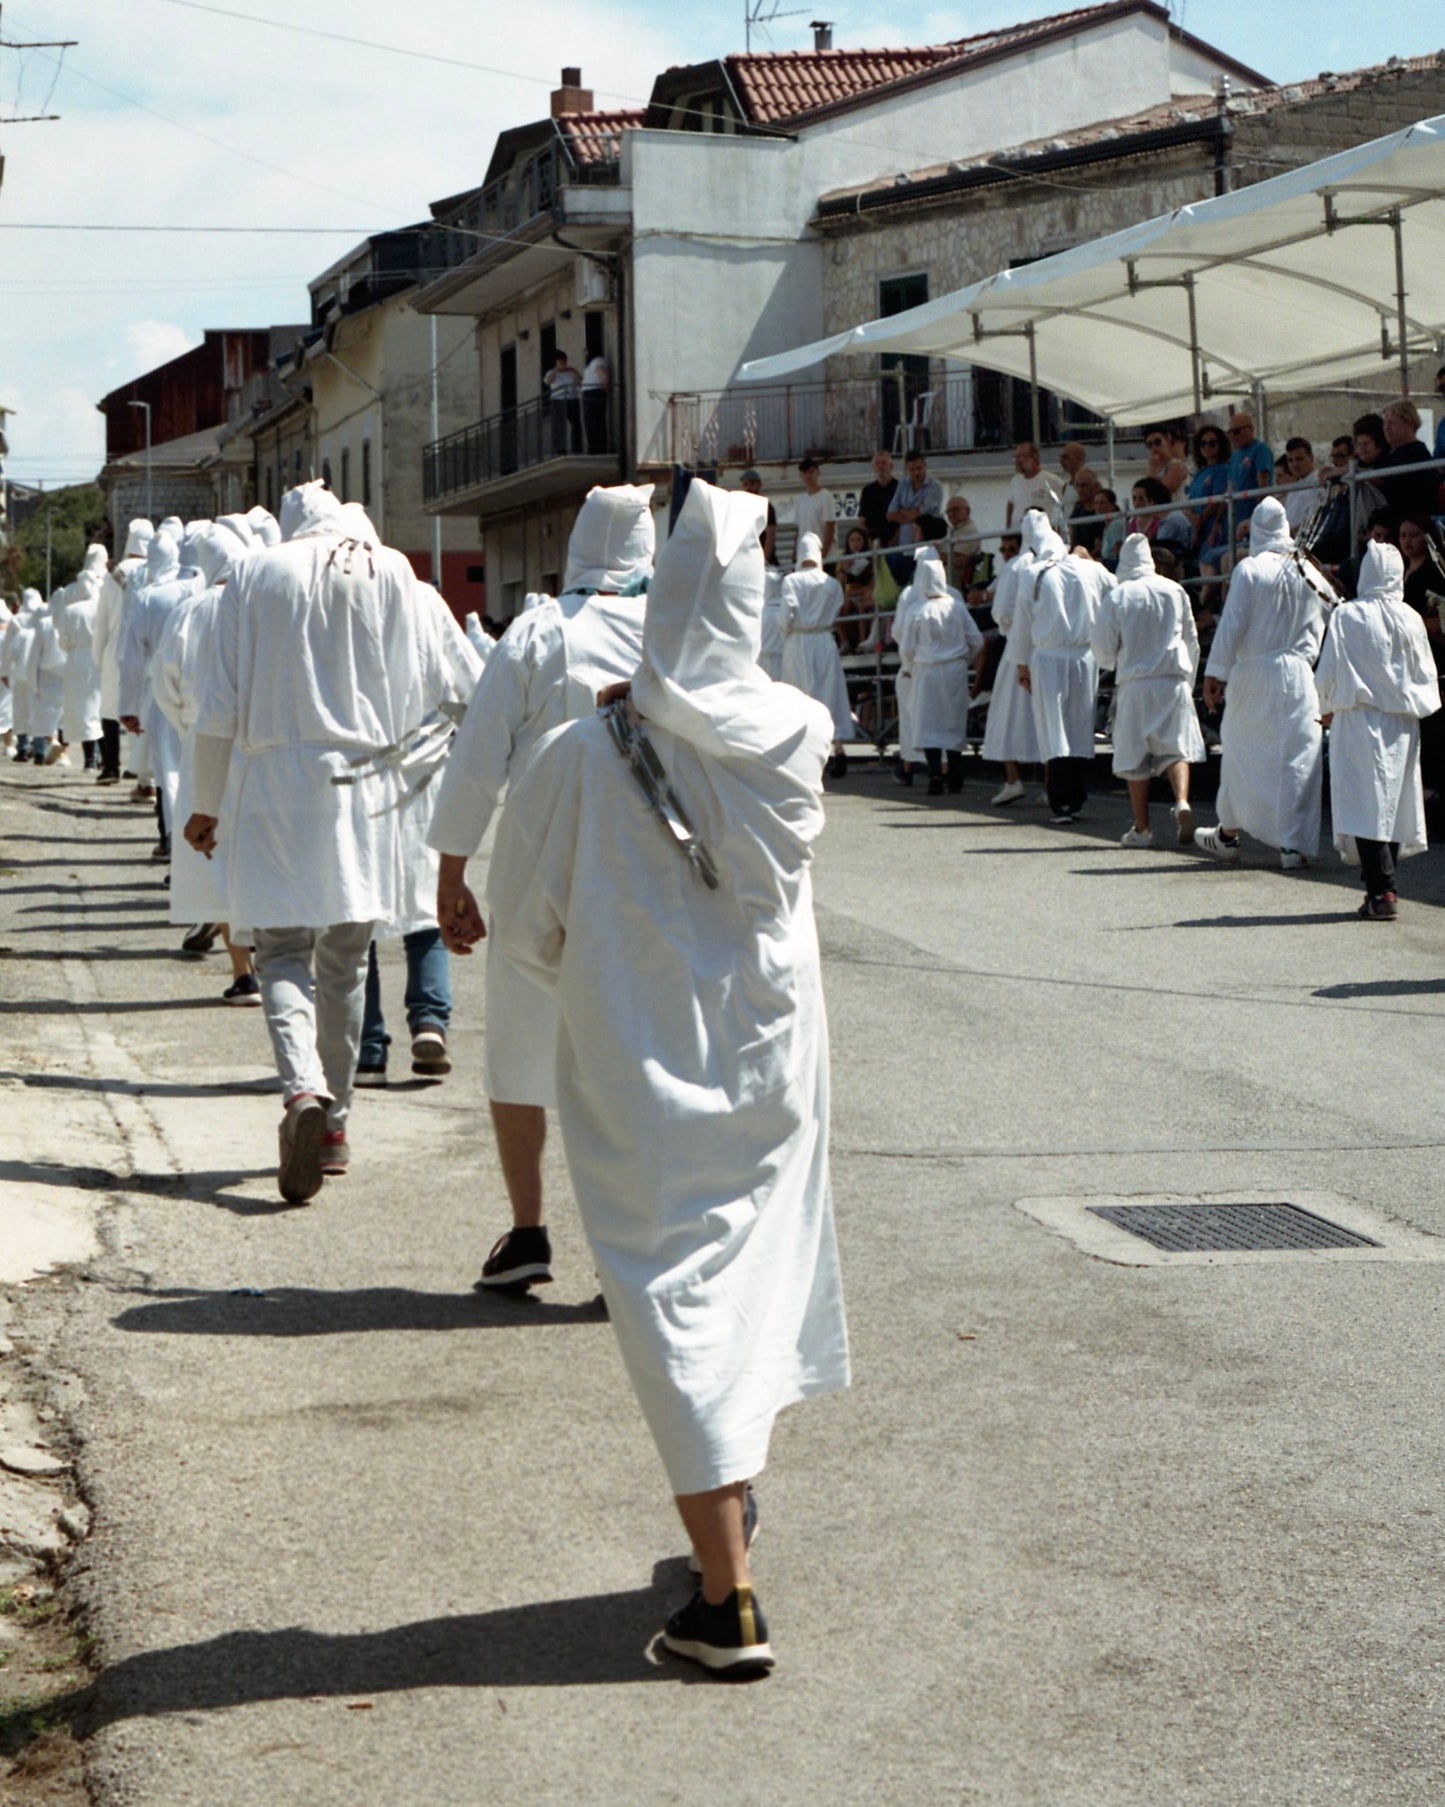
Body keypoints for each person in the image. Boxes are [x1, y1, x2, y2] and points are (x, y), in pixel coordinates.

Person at [459, 474, 849, 1679]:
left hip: (641, 1056)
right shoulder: (795, 729)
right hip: (774, 1054)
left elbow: (520, 926)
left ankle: (726, 1602)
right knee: (749, 1272)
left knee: (669, 1289)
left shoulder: (579, 755)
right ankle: (728, 1505)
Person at [186, 481, 462, 1202]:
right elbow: (429, 683)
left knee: (281, 950)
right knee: (347, 959)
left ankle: (302, 1088)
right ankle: (336, 1122)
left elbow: (219, 702)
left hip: (277, 780)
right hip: (370, 783)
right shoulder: (394, 570)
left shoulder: (253, 573)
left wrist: (204, 802)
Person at [428, 484, 655, 1287]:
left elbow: (478, 754)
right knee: (632, 1059)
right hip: (647, 879)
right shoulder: (677, 634)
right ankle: (625, 1255)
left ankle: (528, 1229)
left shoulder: (538, 630)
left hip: (542, 867)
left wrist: (452, 872)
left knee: (522, 1046)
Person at [358, 536, 486, 1086]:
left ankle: (366, 1047)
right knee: (427, 901)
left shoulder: (332, 606)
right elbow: (470, 684)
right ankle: (429, 1022)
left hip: (351, 779)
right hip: (422, 773)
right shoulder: (424, 601)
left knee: (351, 916)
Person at [154, 513, 264, 1002]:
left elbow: (166, 683)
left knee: (215, 850)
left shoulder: (191, 610)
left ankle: (243, 971)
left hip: (205, 739)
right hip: (264, 742)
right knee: (262, 848)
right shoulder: (265, 605)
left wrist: (189, 726)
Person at [1194, 498, 1336, 871]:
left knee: (1243, 752)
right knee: (1297, 759)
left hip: (1255, 672)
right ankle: (1293, 845)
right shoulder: (1308, 570)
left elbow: (1232, 624)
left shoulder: (1251, 569)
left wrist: (1215, 673)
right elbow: (1334, 608)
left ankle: (1228, 832)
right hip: (1300, 673)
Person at [1316, 541, 1440, 919]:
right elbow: (1425, 673)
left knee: (1363, 801)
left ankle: (1381, 889)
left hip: (1359, 716)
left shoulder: (1347, 615)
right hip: (1402, 722)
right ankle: (1383, 885)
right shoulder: (1411, 617)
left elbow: (1329, 669)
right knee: (1392, 802)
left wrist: (1324, 707)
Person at [1091, 533, 1204, 848]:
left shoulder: (1119, 595)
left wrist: (1113, 661)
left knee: (1134, 757)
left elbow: (1102, 645)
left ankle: (1142, 828)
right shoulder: (1174, 590)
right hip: (1172, 679)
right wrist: (1188, 679)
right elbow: (1190, 638)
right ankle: (1181, 800)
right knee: (1175, 748)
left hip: (1136, 682)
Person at [1012, 514, 1102, 824]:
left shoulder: (1033, 573)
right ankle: (1077, 797)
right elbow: (1116, 590)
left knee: (1054, 727)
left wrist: (1021, 663)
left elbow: (1023, 622)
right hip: (1083, 657)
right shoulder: (1088, 570)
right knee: (1079, 724)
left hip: (1048, 658)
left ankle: (1059, 799)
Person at [897, 552, 983, 794]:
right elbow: (976, 639)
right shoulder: (956, 606)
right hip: (954, 669)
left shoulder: (916, 609)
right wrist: (963, 659)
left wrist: (909, 666)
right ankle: (955, 775)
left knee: (928, 722)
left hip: (927, 670)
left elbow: (907, 647)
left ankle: (935, 776)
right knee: (953, 720)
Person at [780, 532, 853, 778]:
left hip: (799, 640)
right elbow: (838, 606)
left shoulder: (791, 581)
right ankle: (838, 748)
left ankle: (804, 753)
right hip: (824, 639)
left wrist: (785, 632)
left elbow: (786, 615)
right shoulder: (831, 583)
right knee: (829, 694)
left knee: (799, 694)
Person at [980, 523, 1042, 804]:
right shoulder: (1059, 562)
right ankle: (1052, 785)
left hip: (1019, 646)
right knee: (1047, 718)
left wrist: (1009, 626)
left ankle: (1013, 778)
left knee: (1007, 715)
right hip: (1049, 647)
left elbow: (1001, 611)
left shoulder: (1016, 566)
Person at [91, 519, 152, 785]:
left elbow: (101, 622)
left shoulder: (113, 575)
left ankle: (111, 766)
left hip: (115, 648)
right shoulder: (156, 571)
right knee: (146, 707)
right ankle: (144, 771)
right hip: (147, 648)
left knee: (110, 709)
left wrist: (98, 657)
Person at [1398, 516, 1445, 803]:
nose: (1407, 542)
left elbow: (1439, 622)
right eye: (1402, 535)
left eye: (1413, 535)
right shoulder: (1401, 572)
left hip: (1432, 659)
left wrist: (1410, 623)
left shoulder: (1434, 575)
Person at [54, 544, 106, 771]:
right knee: (102, 709)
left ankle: (89, 759)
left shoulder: (70, 608)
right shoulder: (100, 606)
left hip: (76, 661)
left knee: (84, 711)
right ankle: (104, 757)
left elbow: (62, 640)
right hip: (99, 659)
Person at [1375, 399, 1438, 527]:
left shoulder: (1416, 453)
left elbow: (1386, 481)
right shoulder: (1387, 454)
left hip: (1407, 523)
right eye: (1385, 423)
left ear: (1409, 424)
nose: (1386, 427)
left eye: (1392, 423)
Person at [885, 451, 944, 584]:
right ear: (907, 469)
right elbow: (890, 515)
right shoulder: (903, 484)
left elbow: (923, 515)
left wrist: (903, 512)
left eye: (919, 468)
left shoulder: (935, 486)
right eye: (912, 469)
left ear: (925, 466)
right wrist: (914, 514)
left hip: (927, 546)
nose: (916, 473)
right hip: (904, 546)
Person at [1224, 412, 1274, 551]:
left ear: (1250, 429)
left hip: (1252, 520)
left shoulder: (1260, 450)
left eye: (1237, 431)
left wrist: (1255, 519)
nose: (1234, 436)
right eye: (1230, 433)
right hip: (1236, 520)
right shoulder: (1235, 456)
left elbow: (1263, 485)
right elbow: (1230, 488)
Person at [835, 525, 875, 651]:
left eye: (858, 540)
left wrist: (852, 594)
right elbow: (838, 585)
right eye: (852, 540)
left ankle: (862, 643)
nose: (855, 543)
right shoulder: (843, 559)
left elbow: (872, 585)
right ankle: (845, 642)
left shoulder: (871, 558)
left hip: (863, 594)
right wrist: (844, 571)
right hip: (848, 594)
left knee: (861, 607)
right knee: (837, 609)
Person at [1005, 441, 1060, 529]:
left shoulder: (1052, 480)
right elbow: (1011, 504)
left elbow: (1063, 506)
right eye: (1016, 457)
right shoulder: (1015, 481)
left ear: (1034, 458)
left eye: (1022, 457)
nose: (1018, 461)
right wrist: (1008, 529)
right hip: (1018, 534)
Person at [793, 458, 835, 560]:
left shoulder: (826, 496)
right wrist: (795, 555)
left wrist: (822, 555)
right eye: (804, 473)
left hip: (825, 558)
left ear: (818, 473)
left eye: (811, 472)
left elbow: (830, 528)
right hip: (805, 558)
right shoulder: (800, 500)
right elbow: (799, 530)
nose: (808, 476)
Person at [857, 450, 898, 550]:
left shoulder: (900, 488)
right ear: (873, 467)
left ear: (891, 466)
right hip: (873, 542)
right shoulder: (867, 490)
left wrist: (896, 539)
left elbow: (906, 518)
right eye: (877, 463)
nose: (880, 466)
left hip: (895, 542)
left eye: (884, 463)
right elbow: (862, 519)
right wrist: (867, 541)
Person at [544, 349, 582, 455]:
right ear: (556, 362)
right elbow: (548, 381)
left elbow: (580, 383)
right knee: (559, 426)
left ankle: (577, 448)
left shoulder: (571, 373)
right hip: (558, 400)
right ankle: (560, 449)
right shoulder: (551, 373)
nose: (563, 364)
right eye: (561, 362)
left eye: (564, 361)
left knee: (576, 424)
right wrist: (556, 370)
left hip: (572, 399)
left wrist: (575, 371)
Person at [944, 494, 982, 592]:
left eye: (955, 510)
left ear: (967, 511)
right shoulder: (953, 531)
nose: (951, 514)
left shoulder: (969, 531)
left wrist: (936, 555)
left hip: (955, 582)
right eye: (948, 511)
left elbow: (958, 559)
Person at [738, 469, 776, 565]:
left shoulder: (765, 506)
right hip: (746, 560)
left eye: (751, 484)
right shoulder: (741, 508)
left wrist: (765, 561)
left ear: (759, 485)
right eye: (745, 484)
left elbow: (770, 535)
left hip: (762, 560)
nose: (748, 487)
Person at [1144, 422, 1191, 499]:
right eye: (1150, 445)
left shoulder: (1177, 466)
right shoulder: (1156, 468)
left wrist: (1152, 472)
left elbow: (1161, 495)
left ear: (1168, 439)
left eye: (1158, 442)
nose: (1154, 448)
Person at [580, 349, 609, 454]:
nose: (585, 354)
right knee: (589, 422)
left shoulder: (597, 361)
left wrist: (605, 390)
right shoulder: (590, 364)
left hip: (594, 393)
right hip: (589, 393)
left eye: (586, 351)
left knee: (595, 421)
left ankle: (598, 448)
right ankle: (593, 447)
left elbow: (603, 375)